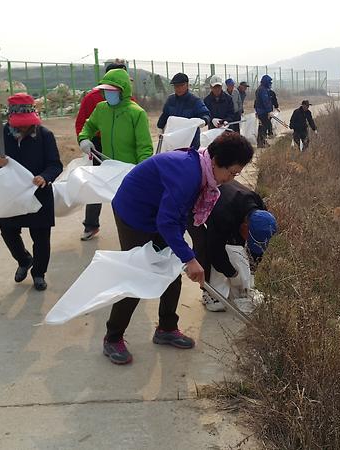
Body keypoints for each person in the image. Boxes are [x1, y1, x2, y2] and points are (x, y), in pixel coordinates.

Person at [104, 132, 255, 365]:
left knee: (171, 270)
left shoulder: (204, 169)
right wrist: (189, 257)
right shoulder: (188, 174)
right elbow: (167, 221)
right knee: (139, 275)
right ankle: (112, 337)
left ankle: (166, 327)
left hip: (158, 211)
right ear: (216, 162)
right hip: (134, 213)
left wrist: (187, 256)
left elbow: (177, 214)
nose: (231, 178)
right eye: (232, 172)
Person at [0, 93, 63, 291]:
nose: (24, 128)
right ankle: (24, 259)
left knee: (41, 237)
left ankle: (39, 274)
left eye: (27, 124)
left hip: (39, 193)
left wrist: (44, 176)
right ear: (11, 119)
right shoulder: (0, 133)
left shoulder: (45, 136)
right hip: (10, 194)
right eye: (20, 124)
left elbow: (55, 165)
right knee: (8, 231)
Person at [77, 68, 153, 240]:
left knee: (132, 210)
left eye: (112, 91)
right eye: (106, 90)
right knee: (117, 208)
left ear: (123, 90)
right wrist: (84, 139)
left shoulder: (136, 113)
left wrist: (142, 171)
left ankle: (140, 243)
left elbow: (144, 147)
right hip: (109, 169)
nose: (108, 94)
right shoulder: (101, 109)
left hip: (130, 171)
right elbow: (89, 126)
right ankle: (127, 243)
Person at [188, 180, 277, 312]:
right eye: (249, 236)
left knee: (235, 246)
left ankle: (235, 289)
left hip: (229, 204)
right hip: (194, 202)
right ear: (245, 225)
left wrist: (251, 271)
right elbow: (215, 252)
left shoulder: (261, 214)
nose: (249, 240)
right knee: (203, 244)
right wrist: (233, 274)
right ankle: (209, 291)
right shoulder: (223, 214)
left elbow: (259, 247)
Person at [157, 73, 211, 148]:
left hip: (191, 142)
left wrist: (204, 121)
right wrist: (160, 127)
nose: (178, 88)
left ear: (187, 85)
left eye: (181, 85)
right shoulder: (170, 100)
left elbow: (206, 114)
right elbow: (165, 115)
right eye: (176, 86)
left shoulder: (194, 101)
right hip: (174, 140)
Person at [253, 75, 274, 148]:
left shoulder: (260, 89)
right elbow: (265, 101)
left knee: (262, 127)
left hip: (260, 111)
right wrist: (269, 111)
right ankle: (261, 142)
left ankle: (261, 142)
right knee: (263, 127)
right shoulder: (263, 90)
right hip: (263, 112)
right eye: (269, 82)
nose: (270, 84)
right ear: (266, 82)